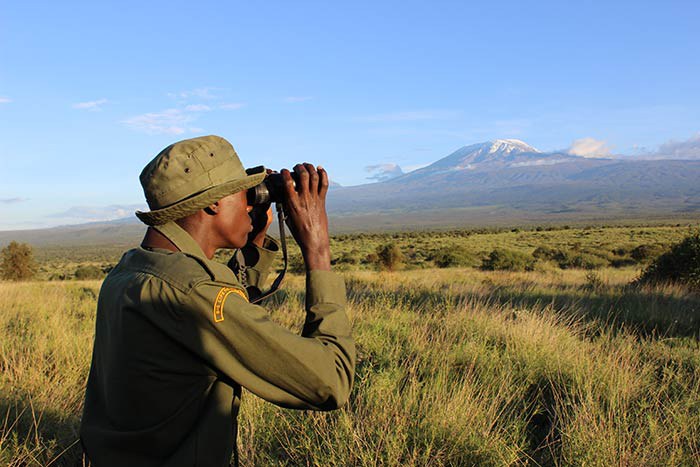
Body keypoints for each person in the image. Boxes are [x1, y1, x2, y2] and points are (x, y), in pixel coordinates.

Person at [80, 135, 356, 466]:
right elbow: (330, 380)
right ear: (214, 203)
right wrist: (318, 250)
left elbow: (217, 307)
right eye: (244, 195)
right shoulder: (192, 293)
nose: (251, 204)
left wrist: (252, 242)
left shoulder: (130, 271)